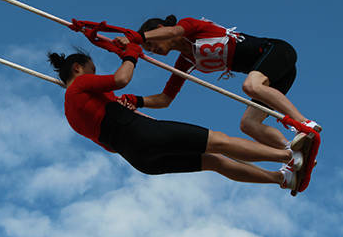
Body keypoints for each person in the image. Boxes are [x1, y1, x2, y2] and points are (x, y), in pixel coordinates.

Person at [47, 43, 307, 190]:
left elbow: (110, 146)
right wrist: (130, 53)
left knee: (215, 162)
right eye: (92, 70)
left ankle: (283, 178)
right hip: (144, 134)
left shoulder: (71, 114)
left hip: (139, 159)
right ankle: (289, 156)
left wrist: (127, 108)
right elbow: (121, 79)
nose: (95, 76)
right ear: (78, 68)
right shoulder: (80, 85)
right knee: (218, 141)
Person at [113, 15, 321, 152]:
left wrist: (138, 38)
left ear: (160, 29)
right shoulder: (184, 62)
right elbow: (165, 99)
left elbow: (174, 32)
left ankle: (304, 125)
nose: (152, 50)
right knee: (248, 125)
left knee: (250, 86)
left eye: (151, 44)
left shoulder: (189, 26)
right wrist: (135, 100)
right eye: (148, 48)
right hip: (272, 75)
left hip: (277, 52)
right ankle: (294, 151)